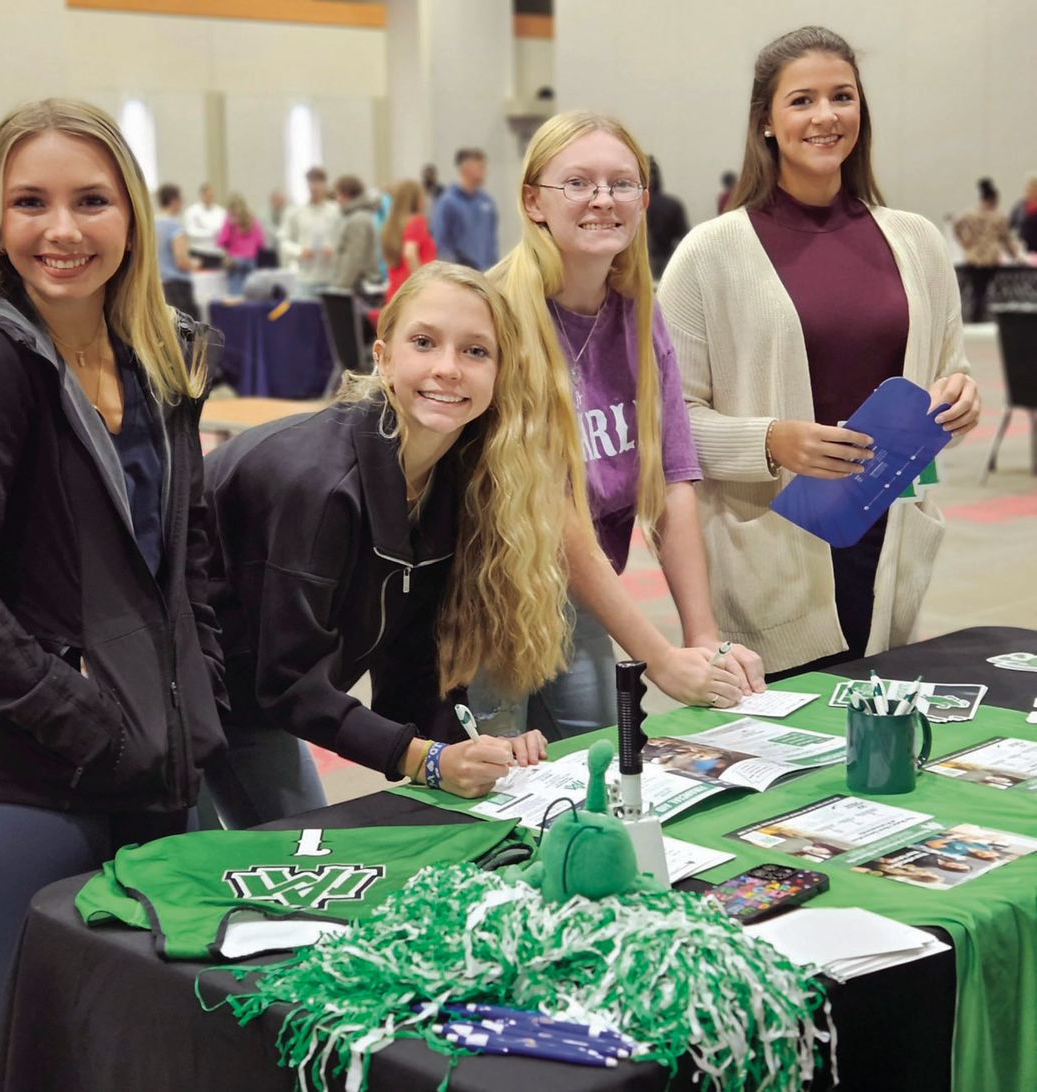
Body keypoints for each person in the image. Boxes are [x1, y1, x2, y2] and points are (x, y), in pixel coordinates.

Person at [0, 98, 225, 1091]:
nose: (63, 230)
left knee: (145, 1048)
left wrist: (197, 689)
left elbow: (189, 557)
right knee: (34, 1059)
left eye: (91, 200)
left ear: (131, 214)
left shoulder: (162, 355)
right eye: (30, 202)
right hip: (19, 780)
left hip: (151, 766)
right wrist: (80, 718)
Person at [658, 26, 981, 679]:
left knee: (880, 718)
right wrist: (771, 440)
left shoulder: (917, 242)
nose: (826, 115)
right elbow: (666, 423)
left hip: (888, 540)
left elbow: (950, 372)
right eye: (802, 100)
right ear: (766, 121)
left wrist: (960, 401)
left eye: (842, 96)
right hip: (771, 557)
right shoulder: (709, 255)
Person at [201, 261, 568, 824]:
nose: (448, 368)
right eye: (424, 342)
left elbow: (413, 664)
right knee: (208, 861)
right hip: (173, 695)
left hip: (258, 696)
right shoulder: (318, 484)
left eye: (475, 351)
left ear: (500, 374)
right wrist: (425, 760)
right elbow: (291, 684)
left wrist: (470, 750)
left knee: (309, 844)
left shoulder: (452, 482)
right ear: (384, 357)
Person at [479, 111, 764, 741]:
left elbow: (672, 480)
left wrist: (703, 637)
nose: (603, 199)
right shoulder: (497, 315)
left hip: (576, 591)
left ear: (643, 200)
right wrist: (658, 659)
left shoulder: (640, 313)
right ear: (534, 201)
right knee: (499, 776)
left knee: (600, 759)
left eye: (622, 183)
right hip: (482, 596)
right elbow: (553, 512)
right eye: (578, 183)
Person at [953, 178, 1021, 321]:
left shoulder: (970, 214)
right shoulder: (999, 216)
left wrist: (964, 241)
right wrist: (1015, 255)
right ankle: (983, 315)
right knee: (985, 290)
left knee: (977, 290)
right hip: (990, 258)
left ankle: (975, 315)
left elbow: (956, 225)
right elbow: (1006, 239)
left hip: (973, 257)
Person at [432, 148, 499, 271]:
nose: (485, 172)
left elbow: (491, 242)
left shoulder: (487, 202)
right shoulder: (448, 202)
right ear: (466, 168)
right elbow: (442, 243)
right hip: (460, 273)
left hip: (485, 272)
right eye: (481, 167)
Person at [280, 166, 342, 292]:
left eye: (319, 182)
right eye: (311, 182)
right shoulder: (295, 212)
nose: (315, 187)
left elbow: (344, 240)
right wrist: (299, 251)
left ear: (325, 185)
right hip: (305, 277)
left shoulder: (336, 211)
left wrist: (334, 250)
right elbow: (284, 241)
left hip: (330, 277)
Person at [382, 178, 437, 302]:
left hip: (395, 293)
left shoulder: (393, 225)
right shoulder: (417, 222)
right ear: (416, 200)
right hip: (413, 294)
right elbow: (410, 253)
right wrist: (423, 284)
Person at [155, 182, 202, 319]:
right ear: (174, 201)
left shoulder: (152, 225)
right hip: (177, 287)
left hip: (158, 285)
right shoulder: (175, 227)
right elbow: (182, 261)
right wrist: (195, 263)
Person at [331, 175, 382, 294]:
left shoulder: (358, 219)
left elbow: (354, 257)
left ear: (346, 194)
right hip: (359, 283)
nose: (337, 200)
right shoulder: (360, 216)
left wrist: (341, 285)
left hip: (357, 286)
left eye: (337, 195)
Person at [645, 156, 689, 280]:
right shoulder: (672, 204)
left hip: (638, 265)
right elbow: (684, 238)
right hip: (666, 264)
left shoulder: (628, 206)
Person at [216, 193, 266, 296]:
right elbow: (261, 242)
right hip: (251, 261)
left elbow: (222, 241)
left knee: (236, 296)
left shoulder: (230, 220)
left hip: (235, 261)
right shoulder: (253, 220)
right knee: (250, 294)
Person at [182, 181, 227, 267]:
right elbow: (190, 232)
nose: (210, 197)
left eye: (212, 195)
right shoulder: (192, 211)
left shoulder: (221, 212)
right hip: (198, 251)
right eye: (207, 195)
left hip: (216, 253)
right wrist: (211, 233)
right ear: (201, 195)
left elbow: (224, 231)